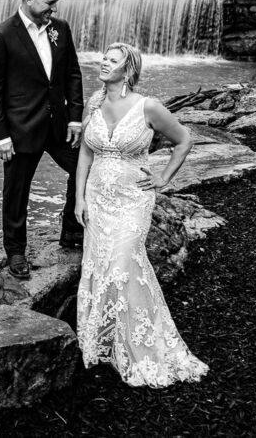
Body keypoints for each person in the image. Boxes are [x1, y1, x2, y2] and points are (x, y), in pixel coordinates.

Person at [74, 42, 208, 387]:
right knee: (98, 267)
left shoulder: (148, 106)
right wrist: (78, 199)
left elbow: (183, 140)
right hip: (98, 199)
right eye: (103, 58)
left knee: (122, 265)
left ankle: (141, 348)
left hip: (133, 199)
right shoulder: (94, 103)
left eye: (112, 60)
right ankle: (103, 342)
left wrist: (164, 177)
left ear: (128, 70)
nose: (103, 63)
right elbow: (86, 155)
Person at [0, 0, 85, 280]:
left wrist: (76, 116)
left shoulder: (61, 29)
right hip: (20, 129)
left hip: (59, 125)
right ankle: (15, 252)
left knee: (85, 170)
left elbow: (73, 74)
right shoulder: (1, 35)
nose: (54, 8)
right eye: (50, 2)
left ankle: (71, 231)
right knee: (17, 192)